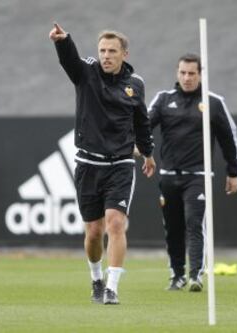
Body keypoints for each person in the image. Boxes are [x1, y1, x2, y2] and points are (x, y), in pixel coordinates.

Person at [49, 23, 156, 304]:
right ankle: (96, 278)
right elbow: (69, 61)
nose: (106, 56)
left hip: (120, 164)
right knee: (94, 232)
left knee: (115, 224)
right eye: (102, 51)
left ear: (124, 54)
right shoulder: (86, 73)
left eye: (112, 51)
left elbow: (141, 122)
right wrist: (63, 41)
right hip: (88, 164)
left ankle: (112, 287)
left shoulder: (135, 84)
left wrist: (147, 153)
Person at [148, 53, 237, 292]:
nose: (187, 78)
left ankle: (195, 276)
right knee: (173, 227)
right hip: (168, 175)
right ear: (177, 73)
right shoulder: (163, 99)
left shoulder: (213, 102)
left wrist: (233, 171)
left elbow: (228, 138)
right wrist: (141, 149)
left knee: (194, 222)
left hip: (199, 177)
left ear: (200, 75)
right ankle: (176, 275)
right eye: (183, 73)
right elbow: (143, 126)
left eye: (192, 73)